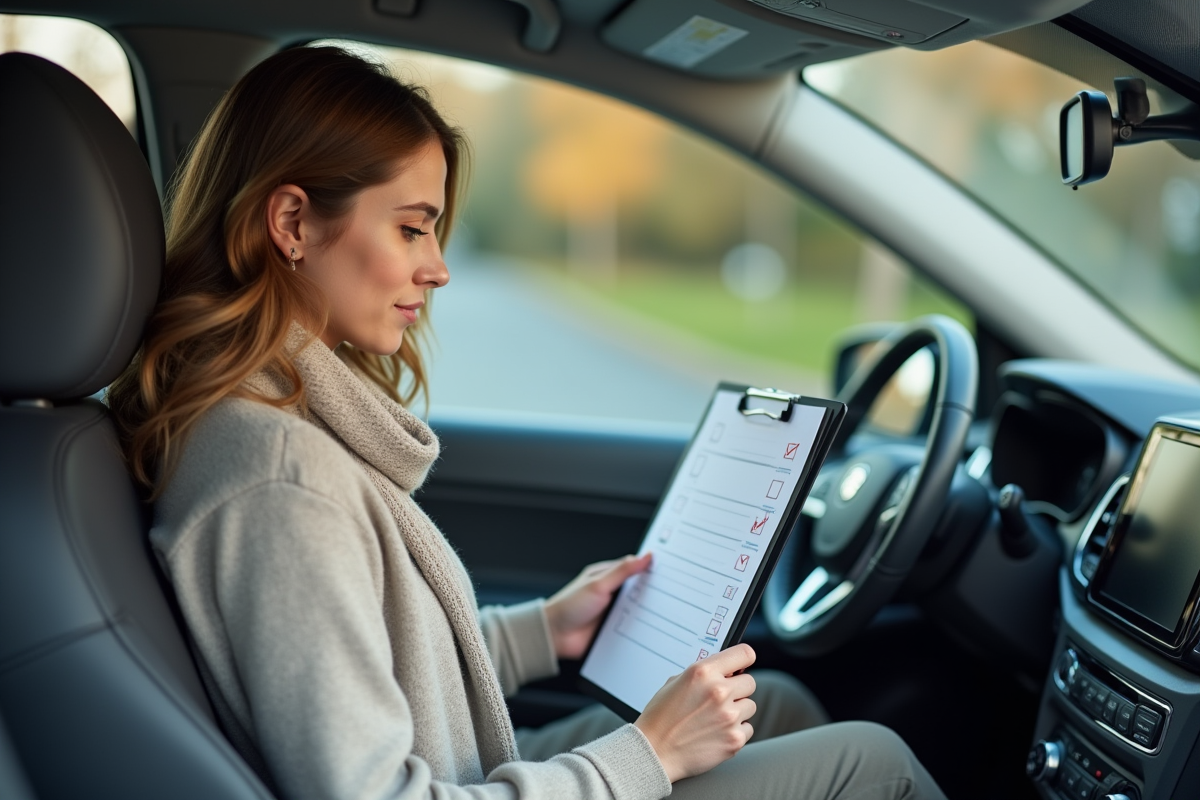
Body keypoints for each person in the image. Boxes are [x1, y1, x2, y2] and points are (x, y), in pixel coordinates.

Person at [107, 45, 947, 800]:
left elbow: (376, 662)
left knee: (779, 706)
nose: (438, 268)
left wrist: (542, 631)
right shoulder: (281, 481)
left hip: (462, 771)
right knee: (873, 762)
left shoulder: (274, 420)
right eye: (411, 229)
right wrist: (649, 755)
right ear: (292, 223)